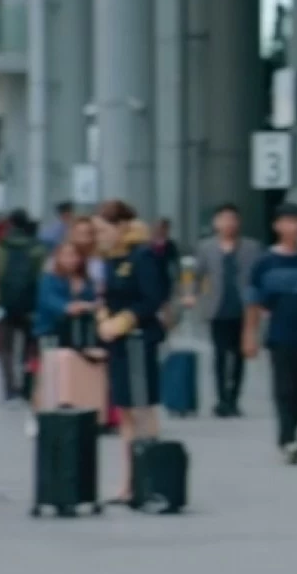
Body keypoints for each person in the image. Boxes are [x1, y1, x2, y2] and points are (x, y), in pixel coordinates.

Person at [92, 200, 166, 505]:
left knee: (142, 408)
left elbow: (152, 298)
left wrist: (123, 321)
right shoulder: (112, 260)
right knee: (124, 411)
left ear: (121, 226)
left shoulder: (143, 256)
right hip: (118, 343)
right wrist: (103, 318)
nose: (99, 236)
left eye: (103, 230)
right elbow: (107, 296)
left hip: (139, 340)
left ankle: (152, 476)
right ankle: (129, 481)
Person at [245, 202, 297, 463]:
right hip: (280, 335)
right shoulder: (264, 264)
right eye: (290, 221)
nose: (296, 226)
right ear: (277, 226)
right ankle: (288, 437)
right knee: (284, 388)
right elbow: (254, 303)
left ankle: (292, 433)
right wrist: (250, 336)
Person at [182, 204, 264, 418]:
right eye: (224, 219)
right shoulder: (206, 247)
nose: (228, 224)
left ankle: (234, 399)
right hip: (217, 309)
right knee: (219, 355)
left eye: (232, 219)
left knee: (239, 356)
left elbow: (260, 277)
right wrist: (191, 295)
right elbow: (197, 275)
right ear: (216, 223)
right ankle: (221, 400)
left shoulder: (252, 248)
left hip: (243, 308)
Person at [28, 241, 99, 436]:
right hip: (51, 331)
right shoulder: (50, 279)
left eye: (74, 255)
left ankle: (68, 415)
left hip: (78, 334)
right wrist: (77, 306)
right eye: (66, 255)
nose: (71, 260)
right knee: (47, 376)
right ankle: (38, 415)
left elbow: (95, 301)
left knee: (72, 376)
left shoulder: (86, 280)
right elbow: (54, 304)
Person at [0, 208, 46, 403]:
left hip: (4, 305)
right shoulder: (37, 248)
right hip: (30, 305)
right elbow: (42, 277)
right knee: (29, 348)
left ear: (10, 224)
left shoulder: (0, 247)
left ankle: (9, 389)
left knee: (5, 349)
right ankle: (27, 386)